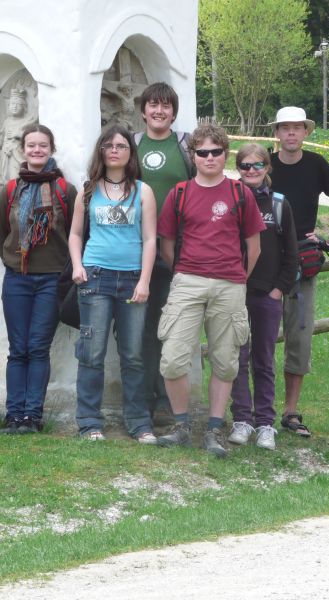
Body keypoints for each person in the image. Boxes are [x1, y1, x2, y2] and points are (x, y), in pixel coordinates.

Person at [155, 123, 265, 457]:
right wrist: (185, 272)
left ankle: (215, 429)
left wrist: (237, 278)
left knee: (225, 362)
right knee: (173, 360)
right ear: (194, 156)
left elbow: (254, 246)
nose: (209, 157)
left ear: (225, 154)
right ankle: (181, 426)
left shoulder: (240, 193)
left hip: (230, 284)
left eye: (216, 151)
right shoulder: (179, 193)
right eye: (202, 152)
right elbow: (166, 244)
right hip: (187, 281)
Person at [68, 125, 158, 442]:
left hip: (132, 278)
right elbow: (75, 234)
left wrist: (145, 281)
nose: (115, 150)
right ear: (101, 151)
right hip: (95, 278)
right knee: (92, 354)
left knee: (133, 355)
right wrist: (77, 265)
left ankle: (139, 422)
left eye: (122, 146)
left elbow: (150, 239)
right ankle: (89, 422)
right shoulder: (88, 190)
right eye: (109, 145)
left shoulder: (143, 191)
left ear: (130, 153)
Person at [268, 106, 329, 437]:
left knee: (299, 336)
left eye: (297, 127)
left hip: (302, 262)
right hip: (266, 260)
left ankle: (290, 411)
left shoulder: (317, 164)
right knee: (259, 336)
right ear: (277, 132)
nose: (291, 133)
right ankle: (259, 410)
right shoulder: (265, 165)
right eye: (285, 127)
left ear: (306, 132)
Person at [0, 124, 77, 434]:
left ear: (52, 149)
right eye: (31, 145)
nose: (37, 150)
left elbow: (76, 234)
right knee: (18, 348)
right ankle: (14, 414)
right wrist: (14, 261)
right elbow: (1, 232)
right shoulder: (11, 190)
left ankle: (32, 416)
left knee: (38, 347)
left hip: (52, 280)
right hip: (17, 278)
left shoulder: (65, 191)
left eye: (43, 145)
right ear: (23, 150)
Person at [228, 144, 298, 451]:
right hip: (235, 291)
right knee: (237, 357)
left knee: (264, 359)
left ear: (268, 168)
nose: (251, 170)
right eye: (245, 165)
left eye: (258, 165)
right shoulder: (230, 199)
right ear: (238, 169)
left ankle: (265, 422)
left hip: (267, 292)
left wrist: (278, 288)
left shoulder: (279, 204)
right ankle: (242, 418)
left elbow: (292, 253)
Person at [134, 82, 193, 424]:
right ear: (143, 111)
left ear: (174, 112)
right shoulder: (132, 144)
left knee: (171, 325)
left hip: (176, 248)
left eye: (166, 106)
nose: (159, 111)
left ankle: (167, 400)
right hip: (136, 249)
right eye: (153, 105)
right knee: (140, 327)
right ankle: (142, 399)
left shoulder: (186, 146)